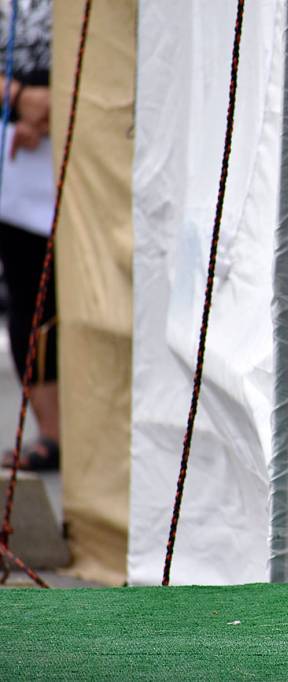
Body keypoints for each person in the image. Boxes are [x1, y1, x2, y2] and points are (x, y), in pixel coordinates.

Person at [0, 0, 58, 471]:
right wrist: (20, 99)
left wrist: (50, 108)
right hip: (15, 155)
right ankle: (52, 433)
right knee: (29, 292)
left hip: (77, 134)